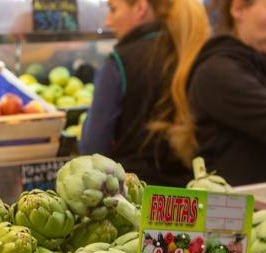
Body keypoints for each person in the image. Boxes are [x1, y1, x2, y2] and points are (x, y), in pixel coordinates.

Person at [79, 0, 210, 186]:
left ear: (140, 7)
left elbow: (93, 146)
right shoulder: (194, 52)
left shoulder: (120, 61)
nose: (108, 21)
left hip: (136, 199)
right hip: (192, 197)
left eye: (113, 9)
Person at [188, 0, 266, 185]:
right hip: (229, 211)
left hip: (264, 205)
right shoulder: (218, 73)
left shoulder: (263, 65)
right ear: (238, 8)